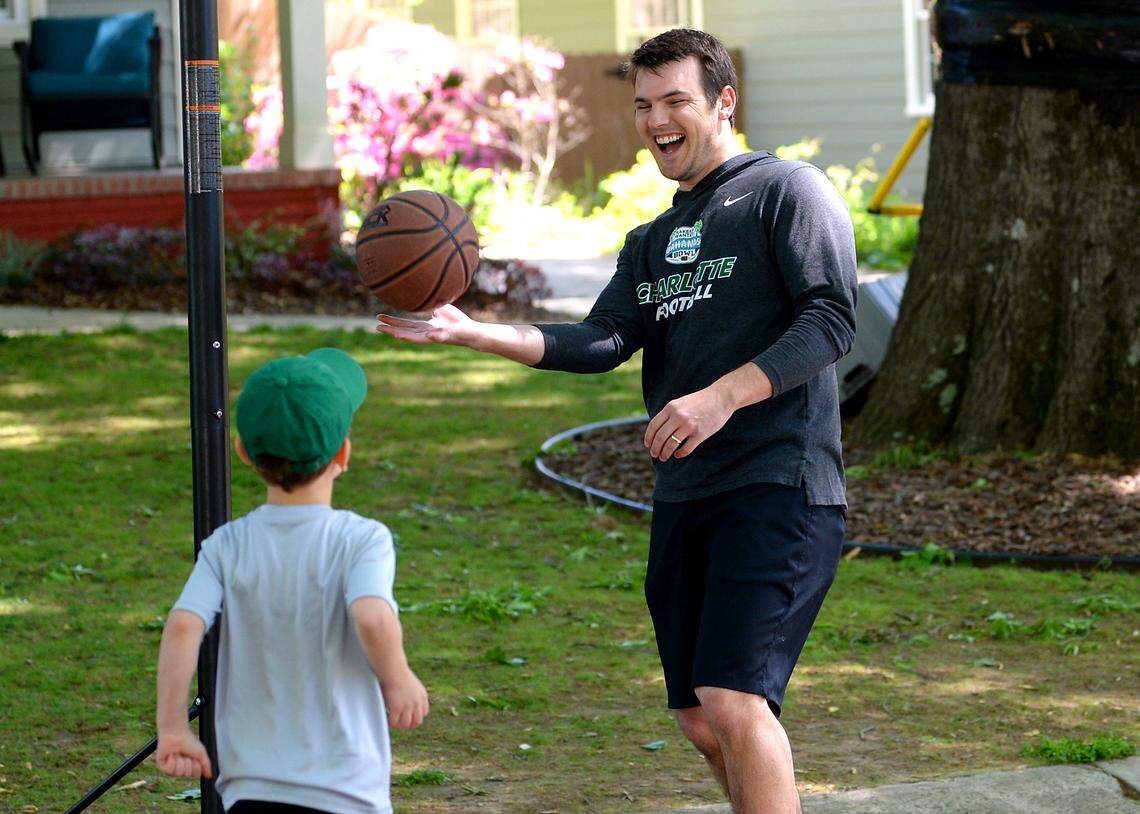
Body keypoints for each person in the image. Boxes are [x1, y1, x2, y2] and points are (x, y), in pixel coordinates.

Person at [377, 28, 856, 814]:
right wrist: (471, 331)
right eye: (643, 105)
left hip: (779, 484)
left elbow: (833, 319)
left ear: (723, 102)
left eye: (676, 101)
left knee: (733, 699)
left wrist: (721, 395)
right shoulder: (653, 240)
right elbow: (602, 341)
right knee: (701, 717)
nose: (657, 120)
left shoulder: (787, 192)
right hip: (687, 493)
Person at [154, 348, 428, 814]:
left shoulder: (227, 544)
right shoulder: (361, 540)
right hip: (345, 792)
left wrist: (174, 728)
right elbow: (370, 615)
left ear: (242, 452)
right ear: (343, 453)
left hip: (252, 790)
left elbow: (183, 625)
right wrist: (398, 678)